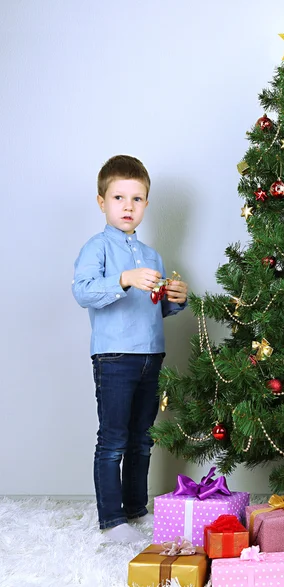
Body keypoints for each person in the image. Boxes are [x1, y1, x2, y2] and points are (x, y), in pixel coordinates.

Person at [72, 155, 188, 543]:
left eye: (136, 199)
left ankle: (136, 509)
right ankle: (111, 520)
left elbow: (156, 308)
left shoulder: (152, 255)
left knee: (142, 436)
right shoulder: (97, 248)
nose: (127, 206)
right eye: (118, 197)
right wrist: (122, 278)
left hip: (151, 356)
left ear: (146, 205)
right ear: (101, 201)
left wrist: (177, 298)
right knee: (113, 439)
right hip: (114, 357)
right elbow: (83, 291)